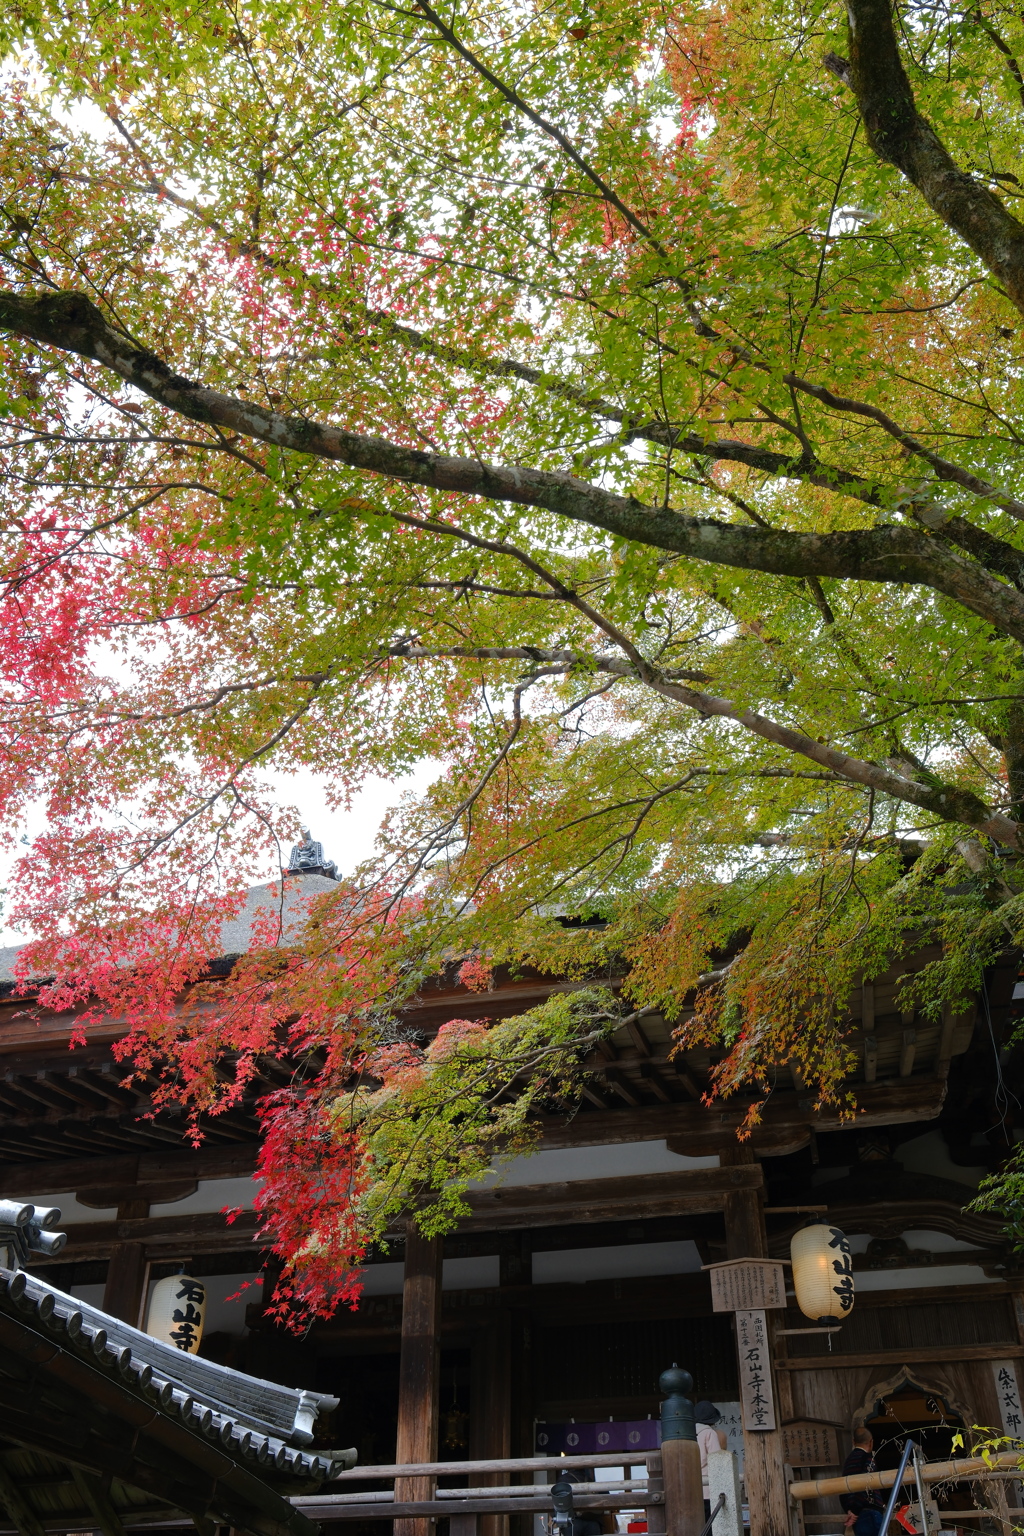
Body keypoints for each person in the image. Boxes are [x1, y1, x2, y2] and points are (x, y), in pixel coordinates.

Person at [840, 1428, 885, 1536]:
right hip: (869, 1510)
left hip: (856, 1514)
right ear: (871, 1442)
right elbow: (866, 1486)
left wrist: (850, 1510)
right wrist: (855, 1511)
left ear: (853, 1442)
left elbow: (842, 1489)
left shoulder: (848, 1461)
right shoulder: (868, 1459)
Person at [694, 1401, 728, 1519]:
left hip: (692, 1489)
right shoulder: (709, 1433)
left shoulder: (689, 1432)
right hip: (708, 1489)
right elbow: (716, 1460)